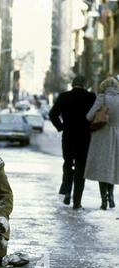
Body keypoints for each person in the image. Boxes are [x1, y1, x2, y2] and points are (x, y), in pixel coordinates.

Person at [49, 76, 96, 209]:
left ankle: (67, 191)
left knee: (68, 163)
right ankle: (77, 201)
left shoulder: (64, 96)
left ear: (73, 84)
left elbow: (53, 114)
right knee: (81, 167)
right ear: (85, 84)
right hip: (85, 137)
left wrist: (61, 126)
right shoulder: (91, 97)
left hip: (69, 136)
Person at [84, 77, 119, 210]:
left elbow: (89, 116)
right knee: (112, 166)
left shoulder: (102, 97)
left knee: (102, 168)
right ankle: (111, 196)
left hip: (102, 136)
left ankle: (103, 199)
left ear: (104, 86)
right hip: (117, 136)